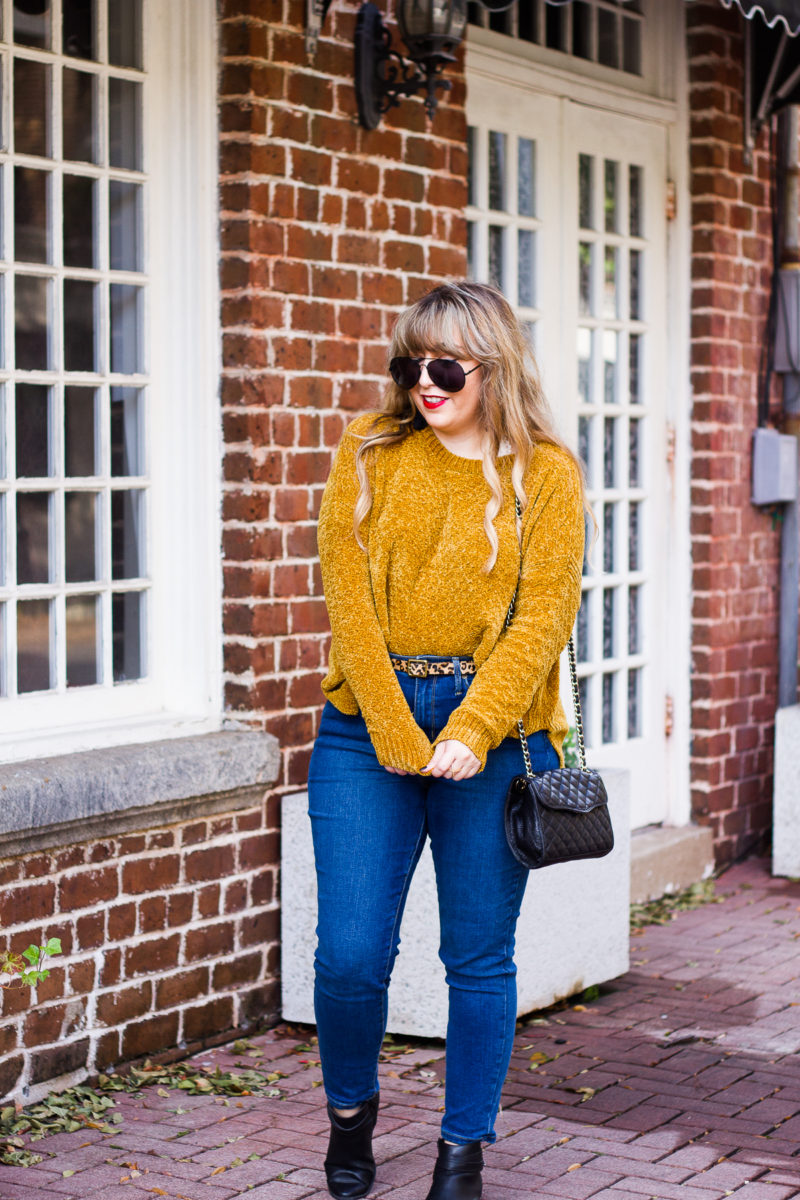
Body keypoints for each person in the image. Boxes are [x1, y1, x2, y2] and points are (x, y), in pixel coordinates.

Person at [307, 280, 588, 1200]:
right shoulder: (371, 449)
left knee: (477, 959)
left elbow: (543, 617)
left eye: (443, 366)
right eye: (408, 364)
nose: (422, 383)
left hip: (493, 733)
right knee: (349, 956)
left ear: (492, 368)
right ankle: (351, 1118)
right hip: (365, 728)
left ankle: (461, 1152)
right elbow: (346, 602)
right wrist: (395, 728)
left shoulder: (544, 471)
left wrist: (472, 726)